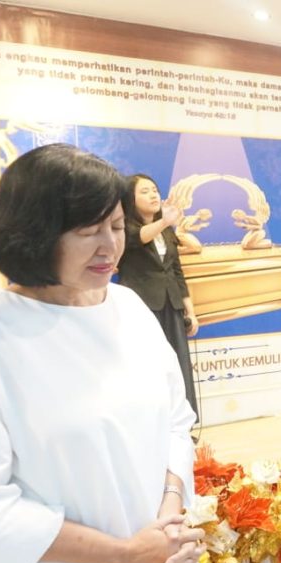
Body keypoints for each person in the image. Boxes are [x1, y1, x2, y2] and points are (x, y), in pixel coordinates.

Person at [0, 144, 203, 563]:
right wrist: (125, 554)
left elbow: (175, 424)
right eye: (88, 231)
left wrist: (170, 508)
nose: (110, 246)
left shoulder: (129, 309)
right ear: (34, 235)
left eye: (116, 226)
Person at [118, 173, 200, 420]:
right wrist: (165, 221)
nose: (153, 195)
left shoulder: (166, 230)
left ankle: (183, 423)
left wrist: (190, 310)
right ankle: (153, 422)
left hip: (171, 304)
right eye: (145, 191)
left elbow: (177, 271)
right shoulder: (123, 227)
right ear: (130, 199)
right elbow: (138, 238)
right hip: (142, 307)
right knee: (149, 364)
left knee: (178, 362)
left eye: (155, 189)